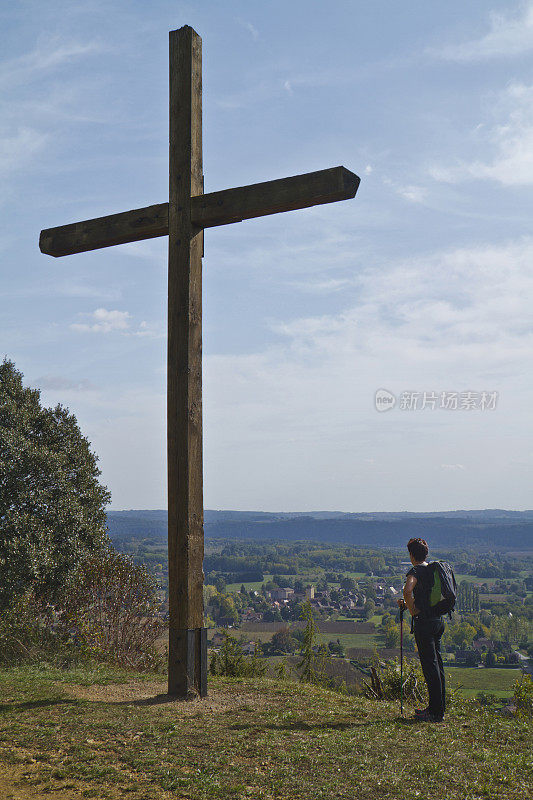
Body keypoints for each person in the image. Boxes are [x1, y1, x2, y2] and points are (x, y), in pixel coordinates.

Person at [398, 537, 445, 723]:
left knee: (429, 667)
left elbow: (408, 590)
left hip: (424, 623)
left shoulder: (416, 570)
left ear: (411, 555)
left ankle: (433, 713)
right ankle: (439, 709)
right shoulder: (432, 570)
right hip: (438, 621)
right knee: (438, 666)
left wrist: (411, 609)